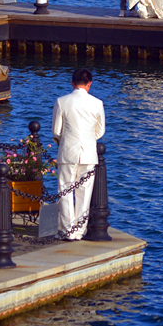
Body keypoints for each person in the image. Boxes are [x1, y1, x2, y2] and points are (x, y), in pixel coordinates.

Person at [51, 68, 105, 241]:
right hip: (88, 153)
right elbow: (100, 131)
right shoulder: (97, 103)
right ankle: (80, 231)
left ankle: (68, 230)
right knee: (84, 192)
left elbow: (56, 130)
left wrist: (66, 138)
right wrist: (88, 139)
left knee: (65, 190)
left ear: (72, 83)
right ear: (89, 84)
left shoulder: (62, 101)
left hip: (68, 151)